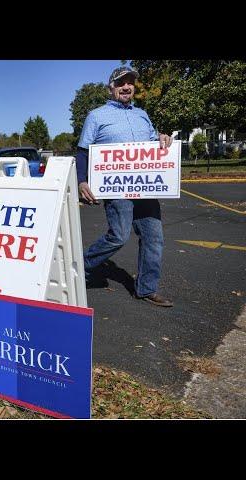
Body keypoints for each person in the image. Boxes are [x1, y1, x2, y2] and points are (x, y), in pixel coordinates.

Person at [76, 66, 174, 308]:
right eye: (121, 83)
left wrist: (162, 138)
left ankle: (147, 289)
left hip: (146, 186)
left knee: (154, 237)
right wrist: (82, 180)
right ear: (111, 87)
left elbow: (153, 145)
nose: (126, 87)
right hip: (116, 187)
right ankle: (79, 266)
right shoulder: (96, 116)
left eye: (130, 83)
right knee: (119, 236)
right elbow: (83, 150)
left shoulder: (142, 115)